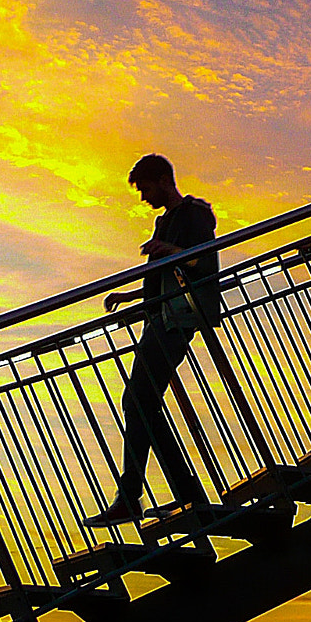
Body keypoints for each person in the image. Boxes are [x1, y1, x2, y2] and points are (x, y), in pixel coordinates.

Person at [83, 154, 219, 527]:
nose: (143, 197)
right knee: (142, 401)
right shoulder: (165, 223)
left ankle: (132, 497)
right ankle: (183, 491)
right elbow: (162, 278)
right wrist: (130, 299)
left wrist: (173, 252)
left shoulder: (193, 215)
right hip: (160, 316)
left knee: (138, 400)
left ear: (163, 180)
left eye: (145, 188)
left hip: (179, 318)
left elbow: (205, 264)